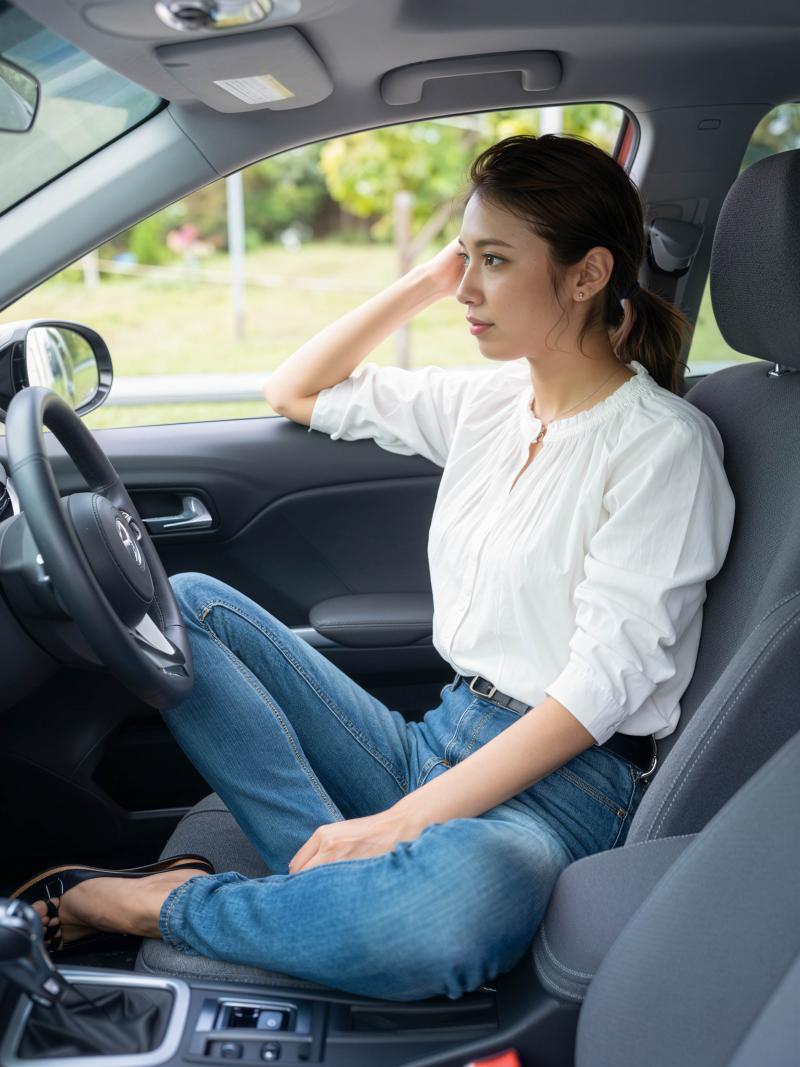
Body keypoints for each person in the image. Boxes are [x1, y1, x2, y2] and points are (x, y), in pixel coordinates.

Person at [14, 134, 736, 1002]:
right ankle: (330, 882)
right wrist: (432, 277)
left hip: (560, 789)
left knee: (447, 913)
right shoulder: (489, 403)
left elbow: (600, 691)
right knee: (193, 606)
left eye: (496, 261)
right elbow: (295, 389)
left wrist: (399, 822)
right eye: (463, 257)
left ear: (586, 275)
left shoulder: (663, 445)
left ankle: (149, 903)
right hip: (436, 739)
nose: (467, 289)